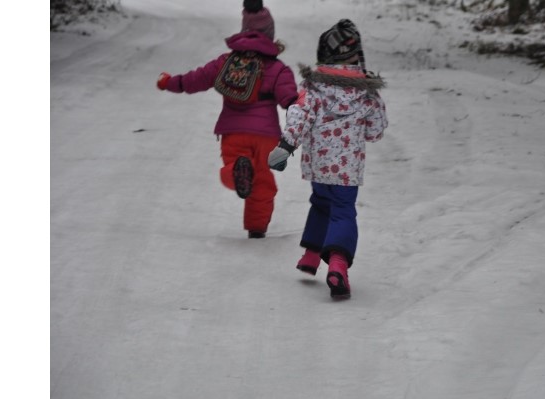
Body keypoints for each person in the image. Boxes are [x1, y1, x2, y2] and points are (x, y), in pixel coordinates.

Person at [156, 0, 298, 239]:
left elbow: (194, 80)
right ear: (270, 35)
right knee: (263, 182)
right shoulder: (277, 68)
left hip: (233, 133)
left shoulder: (226, 62)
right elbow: (289, 100)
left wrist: (169, 82)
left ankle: (237, 172)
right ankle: (257, 228)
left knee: (235, 170)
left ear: (244, 30)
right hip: (266, 137)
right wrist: (304, 105)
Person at [268, 19, 388, 299]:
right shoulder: (367, 92)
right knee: (343, 210)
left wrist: (287, 144)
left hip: (319, 165)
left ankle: (311, 255)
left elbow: (299, 114)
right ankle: (338, 266)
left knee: (321, 203)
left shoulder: (314, 88)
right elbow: (376, 128)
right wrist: (365, 131)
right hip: (348, 169)